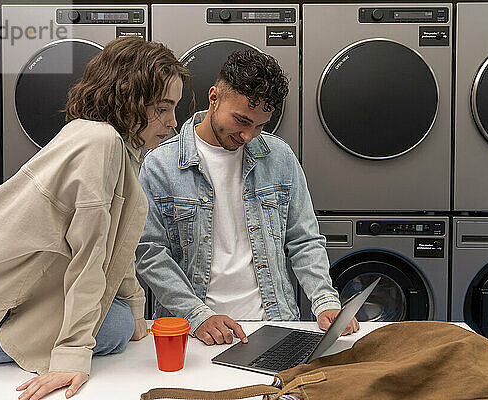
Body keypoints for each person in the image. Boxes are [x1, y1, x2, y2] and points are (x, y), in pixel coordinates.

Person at [0, 36, 190, 399]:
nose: (174, 122)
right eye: (163, 107)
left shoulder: (101, 139)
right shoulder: (102, 144)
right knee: (113, 326)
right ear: (129, 99)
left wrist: (138, 314)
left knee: (121, 318)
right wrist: (72, 357)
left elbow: (117, 246)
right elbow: (90, 257)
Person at [135, 50, 359, 347]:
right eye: (241, 120)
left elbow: (304, 240)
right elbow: (149, 253)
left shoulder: (278, 156)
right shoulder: (160, 164)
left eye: (260, 125)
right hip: (194, 330)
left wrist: (324, 300)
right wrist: (198, 314)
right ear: (213, 97)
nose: (248, 136)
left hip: (274, 321)